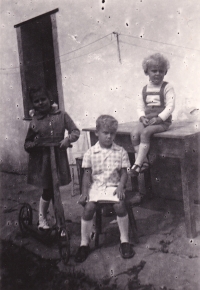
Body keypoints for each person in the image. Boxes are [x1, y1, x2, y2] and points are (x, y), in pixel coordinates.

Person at [75, 115, 135, 263]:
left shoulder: (120, 151)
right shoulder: (90, 153)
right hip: (97, 187)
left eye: (112, 133)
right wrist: (84, 192)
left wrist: (121, 185)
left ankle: (124, 241)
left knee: (120, 205)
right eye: (105, 133)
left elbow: (124, 173)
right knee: (88, 208)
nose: (109, 136)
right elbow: (87, 175)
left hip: (114, 187)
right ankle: (84, 243)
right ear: (97, 132)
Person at [24, 86, 80, 230]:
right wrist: (35, 144)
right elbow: (27, 144)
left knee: (56, 190)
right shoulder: (35, 121)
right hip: (43, 161)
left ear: (50, 99)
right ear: (33, 104)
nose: (40, 103)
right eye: (36, 101)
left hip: (58, 158)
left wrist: (68, 139)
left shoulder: (61, 115)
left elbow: (75, 131)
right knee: (48, 190)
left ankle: (59, 221)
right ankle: (42, 219)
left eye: (43, 99)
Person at [129, 53, 175, 176]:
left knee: (145, 133)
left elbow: (170, 106)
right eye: (154, 71)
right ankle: (143, 162)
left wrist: (160, 118)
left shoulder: (167, 87)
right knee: (134, 134)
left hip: (162, 122)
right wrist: (142, 117)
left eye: (161, 71)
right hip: (148, 120)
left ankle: (137, 164)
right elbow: (140, 106)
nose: (157, 74)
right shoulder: (144, 89)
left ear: (165, 72)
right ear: (146, 72)